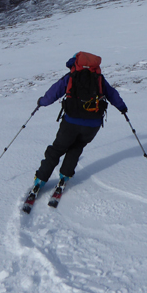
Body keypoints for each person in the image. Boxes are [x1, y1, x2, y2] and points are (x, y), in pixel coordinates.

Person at [32, 52, 128, 190]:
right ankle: (65, 177)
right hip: (93, 124)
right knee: (76, 148)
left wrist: (41, 102)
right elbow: (113, 94)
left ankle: (40, 179)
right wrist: (122, 108)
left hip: (71, 121)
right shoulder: (99, 78)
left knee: (57, 149)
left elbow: (53, 94)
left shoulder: (71, 76)